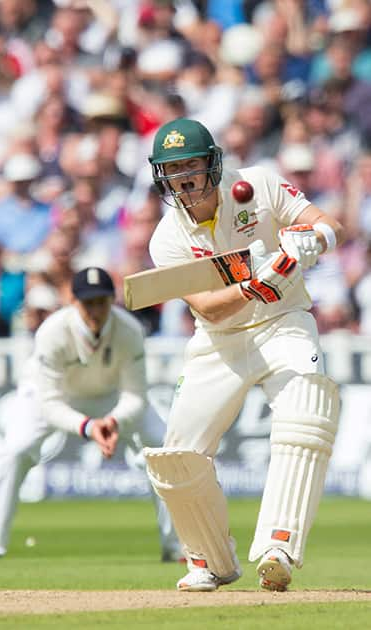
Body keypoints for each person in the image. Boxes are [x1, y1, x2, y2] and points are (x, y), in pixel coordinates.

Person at [142, 117, 344, 592]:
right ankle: (210, 560)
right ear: (160, 177)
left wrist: (308, 244)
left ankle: (279, 547)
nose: (183, 178)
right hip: (219, 343)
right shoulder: (166, 239)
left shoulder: (260, 185)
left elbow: (329, 226)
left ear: (212, 164)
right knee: (175, 457)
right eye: (172, 170)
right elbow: (209, 310)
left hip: (284, 324)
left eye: (191, 165)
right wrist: (257, 285)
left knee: (307, 410)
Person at [0, 266, 181, 565]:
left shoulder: (129, 330)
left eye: (102, 302)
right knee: (12, 453)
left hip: (111, 398)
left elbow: (135, 396)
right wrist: (89, 427)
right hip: (50, 397)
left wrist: (113, 420)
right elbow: (49, 403)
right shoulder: (52, 332)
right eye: (88, 302)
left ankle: (179, 545)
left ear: (111, 301)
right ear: (73, 301)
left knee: (162, 446)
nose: (95, 310)